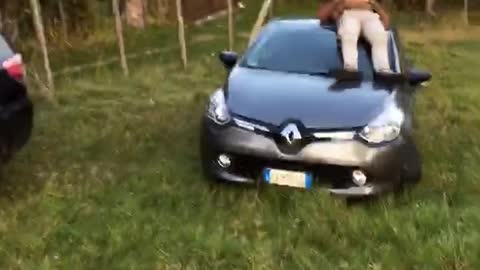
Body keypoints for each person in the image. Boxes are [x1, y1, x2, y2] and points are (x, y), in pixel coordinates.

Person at [317, 0, 397, 77]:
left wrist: (373, 4)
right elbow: (321, 18)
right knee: (349, 34)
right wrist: (338, 3)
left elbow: (386, 24)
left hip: (370, 16)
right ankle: (350, 68)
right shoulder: (337, 6)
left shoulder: (373, 7)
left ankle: (383, 69)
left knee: (379, 36)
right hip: (348, 15)